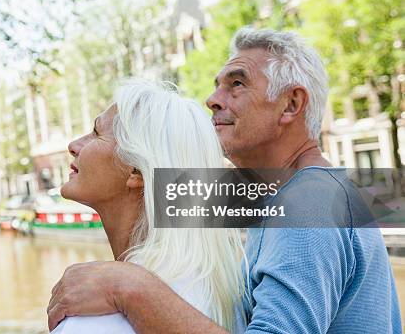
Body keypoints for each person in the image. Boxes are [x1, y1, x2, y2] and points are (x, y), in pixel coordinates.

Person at [48, 28, 402, 333]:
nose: (212, 100)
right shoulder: (293, 194)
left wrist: (128, 285)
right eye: (217, 86)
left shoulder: (310, 205)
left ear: (291, 104)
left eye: (236, 84)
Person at [49, 79, 246, 333]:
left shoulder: (95, 317)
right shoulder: (214, 289)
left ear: (136, 171)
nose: (74, 145)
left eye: (96, 133)